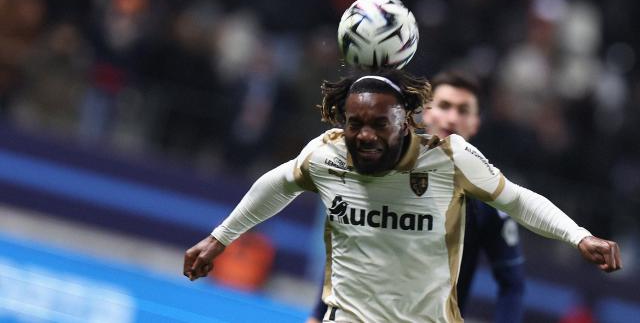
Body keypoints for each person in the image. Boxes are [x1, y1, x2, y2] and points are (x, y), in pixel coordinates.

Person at [183, 69, 621, 323]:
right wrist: (220, 237)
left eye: (379, 123)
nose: (365, 135)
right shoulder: (327, 154)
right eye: (355, 123)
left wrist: (578, 236)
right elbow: (276, 184)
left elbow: (519, 200)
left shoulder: (450, 159)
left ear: (407, 122)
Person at [306, 70, 525, 323]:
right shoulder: (381, 167)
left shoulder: (488, 196)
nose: (452, 117)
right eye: (444, 106)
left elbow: (512, 285)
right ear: (426, 111)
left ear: (476, 123)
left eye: (463, 110)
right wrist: (317, 313)